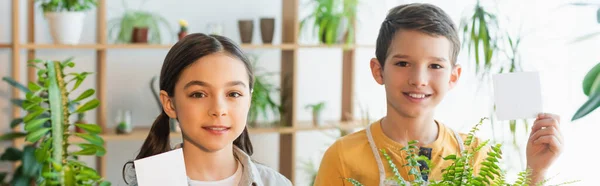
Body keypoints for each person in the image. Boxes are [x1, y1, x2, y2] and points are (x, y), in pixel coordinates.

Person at [314, 3, 563, 185]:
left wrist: (536, 172)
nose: (419, 80)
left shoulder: (475, 155)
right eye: (402, 63)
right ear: (378, 71)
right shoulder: (343, 157)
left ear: (453, 76)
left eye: (435, 66)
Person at [122, 33, 292, 186]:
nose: (218, 110)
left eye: (233, 93)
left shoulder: (278, 183)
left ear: (249, 100)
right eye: (198, 94)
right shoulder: (149, 182)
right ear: (170, 104)